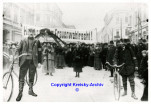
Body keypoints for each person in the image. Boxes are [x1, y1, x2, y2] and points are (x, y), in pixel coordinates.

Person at [16, 29, 42, 101]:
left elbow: (40, 52)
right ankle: (20, 93)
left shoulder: (37, 41)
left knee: (31, 76)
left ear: (34, 33)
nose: (31, 33)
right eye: (30, 32)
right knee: (21, 77)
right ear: (27, 33)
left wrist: (39, 62)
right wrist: (15, 56)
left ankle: (30, 91)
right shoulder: (23, 40)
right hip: (24, 61)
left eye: (32, 32)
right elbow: (18, 49)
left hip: (33, 61)